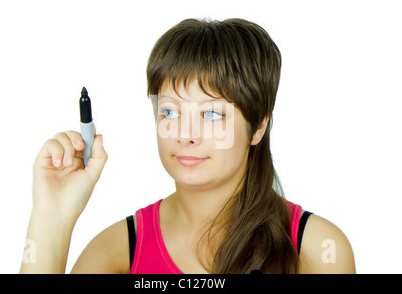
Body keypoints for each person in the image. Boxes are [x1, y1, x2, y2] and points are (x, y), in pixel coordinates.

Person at [20, 18, 356, 274]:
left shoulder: (318, 247)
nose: (186, 134)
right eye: (170, 111)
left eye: (211, 113)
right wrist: (52, 216)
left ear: (259, 126)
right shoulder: (119, 249)